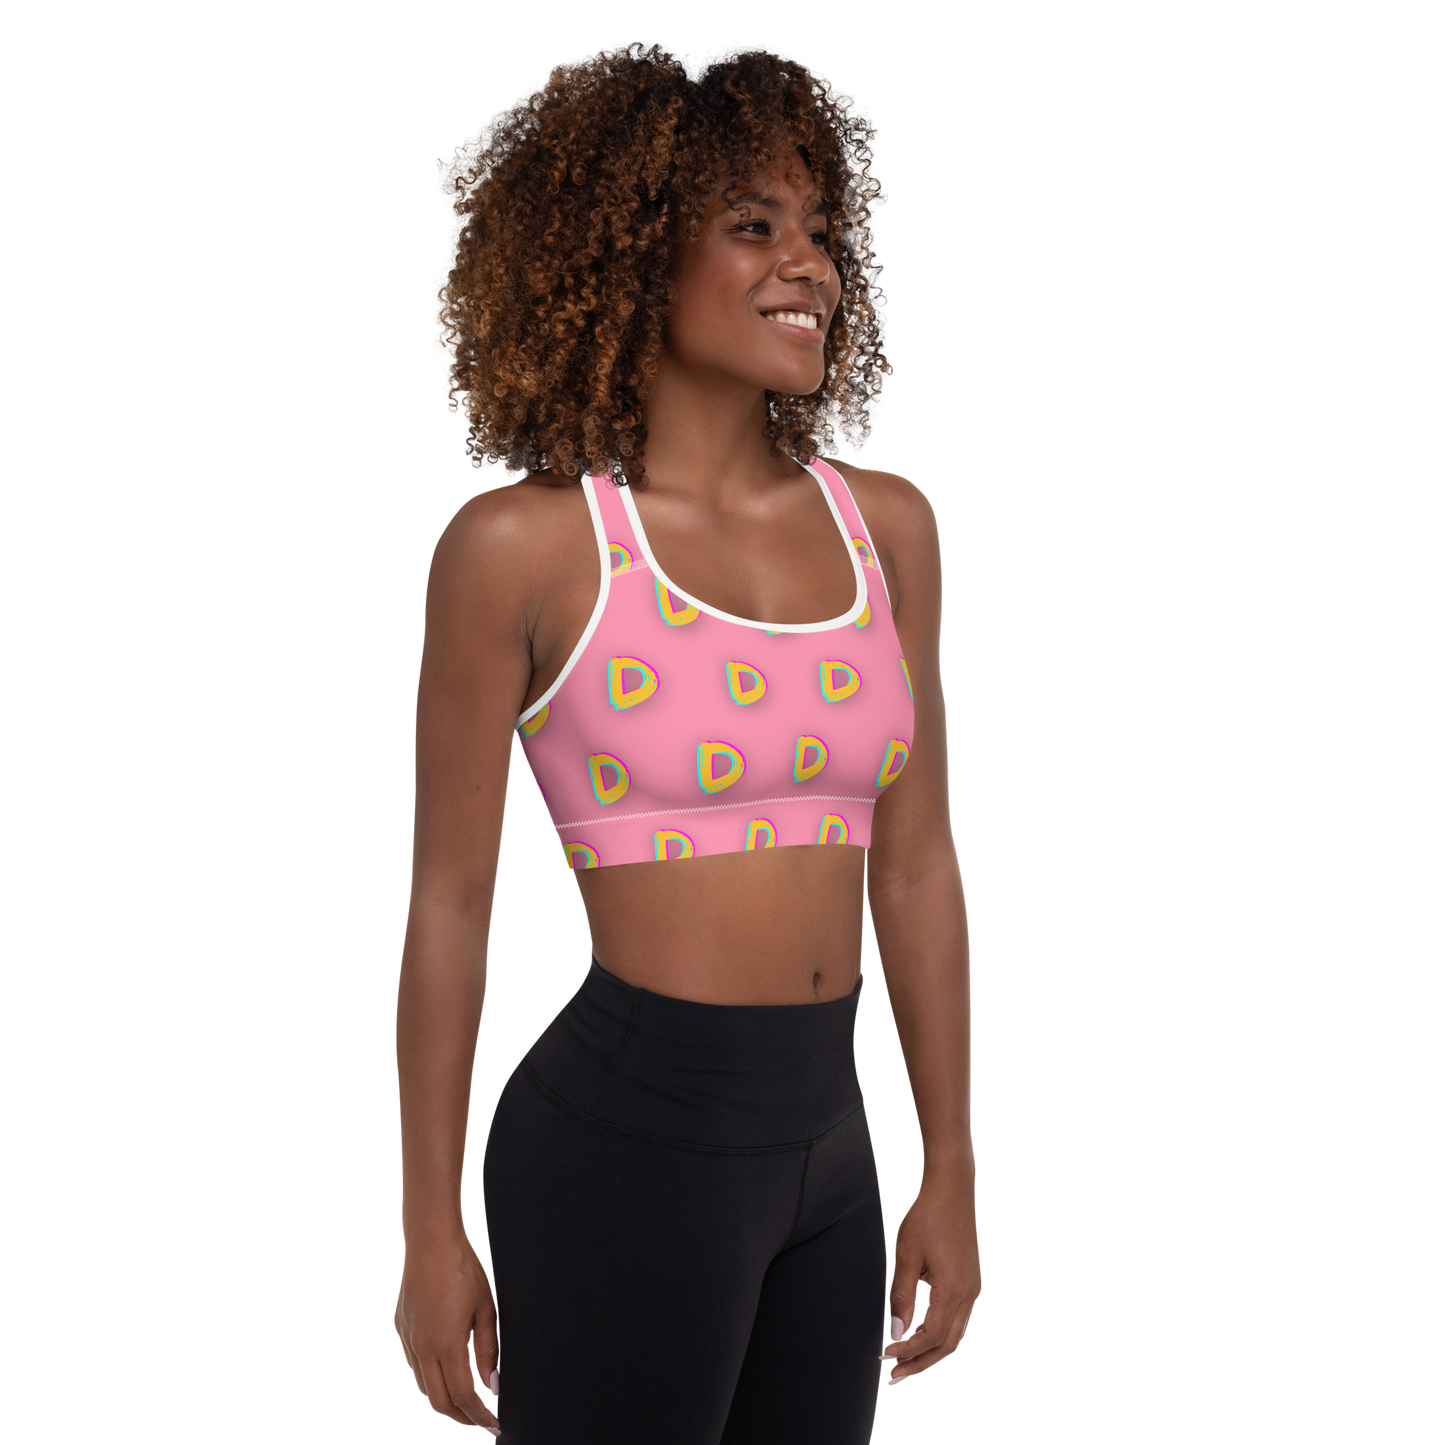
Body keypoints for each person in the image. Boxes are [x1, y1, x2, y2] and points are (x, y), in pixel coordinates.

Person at [392, 35, 981, 1442]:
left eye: (823, 230)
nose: (812, 266)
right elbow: (451, 905)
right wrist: (427, 1232)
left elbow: (917, 868)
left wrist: (951, 1164)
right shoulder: (524, 548)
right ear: (626, 253)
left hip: (833, 1143)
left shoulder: (886, 527)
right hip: (625, 1142)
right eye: (755, 227)